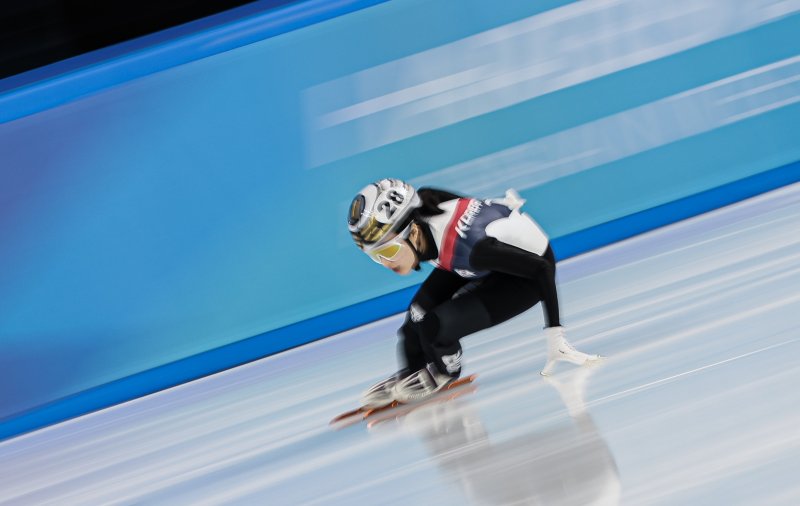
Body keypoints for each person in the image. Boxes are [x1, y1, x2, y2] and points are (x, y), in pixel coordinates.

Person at [347, 178, 601, 407]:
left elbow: (542, 269)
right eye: (375, 257)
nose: (386, 263)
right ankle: (410, 372)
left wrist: (555, 334)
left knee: (435, 327)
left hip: (521, 279)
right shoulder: (424, 209)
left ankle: (445, 372)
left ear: (413, 231)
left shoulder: (471, 247)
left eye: (388, 252)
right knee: (415, 317)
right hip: (476, 260)